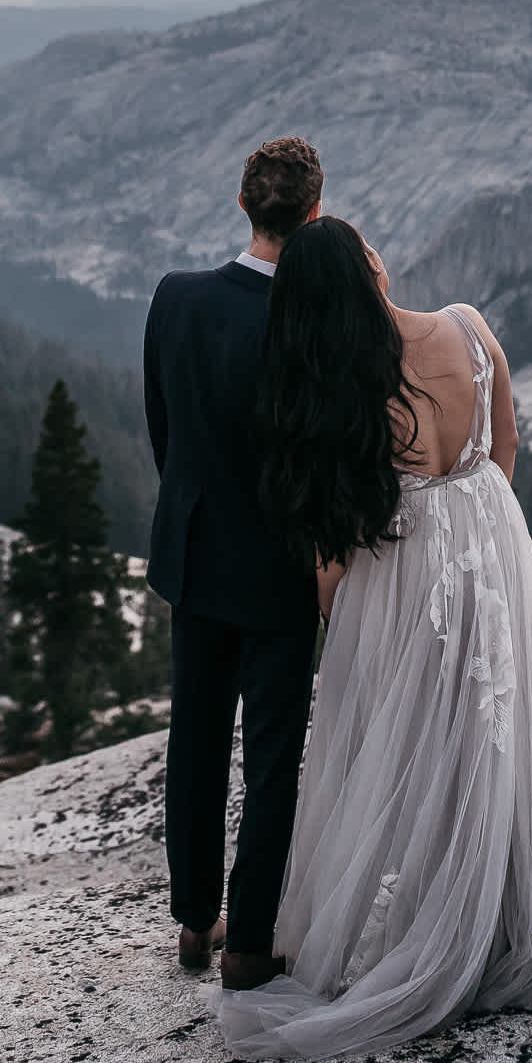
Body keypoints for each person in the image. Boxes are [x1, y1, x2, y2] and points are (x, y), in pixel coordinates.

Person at [220, 216, 532, 1059]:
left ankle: (432, 923)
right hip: (493, 535)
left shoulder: (348, 384)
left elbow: (338, 542)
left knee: (414, 742)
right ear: (373, 266)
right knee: (509, 733)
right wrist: (479, 527)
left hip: (406, 564)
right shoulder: (469, 326)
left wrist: (336, 607)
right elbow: (507, 445)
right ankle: (520, 914)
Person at [144, 136, 323, 989]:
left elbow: (164, 433)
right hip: (280, 570)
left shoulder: (175, 300)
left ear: (243, 204)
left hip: (195, 553)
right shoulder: (307, 324)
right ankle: (249, 943)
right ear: (314, 213)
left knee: (197, 738)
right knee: (274, 755)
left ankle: (192, 921)